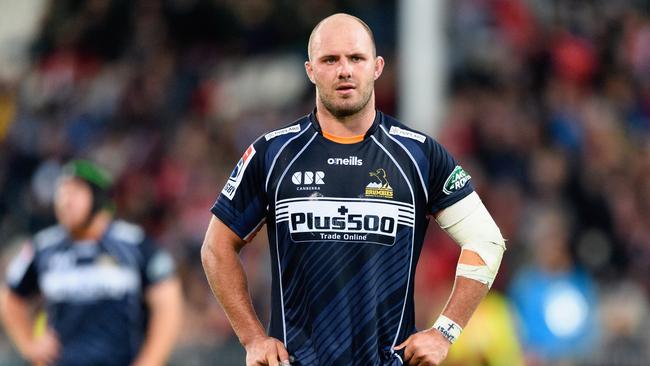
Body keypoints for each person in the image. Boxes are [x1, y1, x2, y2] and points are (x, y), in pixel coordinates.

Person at [201, 13, 506, 366]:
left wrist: (445, 332)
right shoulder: (272, 153)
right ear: (310, 70)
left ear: (376, 67)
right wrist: (252, 339)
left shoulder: (419, 154)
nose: (344, 70)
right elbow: (216, 247)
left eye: (355, 58)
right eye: (330, 60)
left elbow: (486, 240)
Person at [0, 160, 183, 366]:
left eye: (75, 192)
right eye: (62, 193)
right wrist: (29, 345)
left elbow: (167, 303)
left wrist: (150, 361)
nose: (65, 202)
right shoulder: (42, 248)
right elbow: (10, 298)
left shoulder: (134, 245)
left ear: (97, 198)